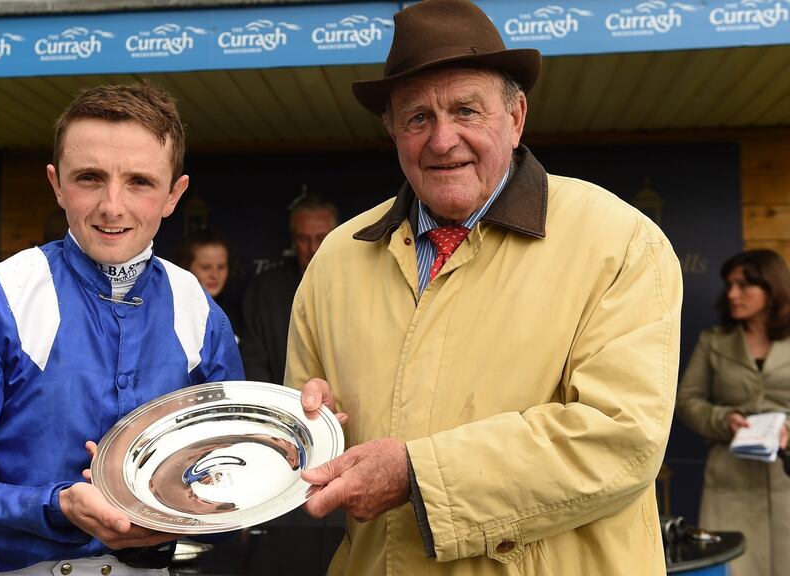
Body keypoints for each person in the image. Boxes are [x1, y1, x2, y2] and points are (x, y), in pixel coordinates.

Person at [288, 1, 683, 574]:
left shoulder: (619, 241)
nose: (442, 140)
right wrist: (310, 426)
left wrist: (418, 476)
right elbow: (307, 440)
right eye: (417, 117)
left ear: (516, 116)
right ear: (392, 130)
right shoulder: (336, 259)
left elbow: (619, 439)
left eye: (467, 110)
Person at [0, 83, 244, 575]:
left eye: (140, 182)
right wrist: (56, 507)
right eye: (89, 178)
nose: (112, 206)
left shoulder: (199, 309)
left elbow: (224, 469)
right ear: (56, 183)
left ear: (175, 194)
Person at [675, 249, 790, 576]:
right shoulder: (714, 340)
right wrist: (723, 421)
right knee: (735, 567)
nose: (732, 294)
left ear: (771, 288)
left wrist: (787, 430)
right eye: (729, 284)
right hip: (730, 477)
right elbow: (687, 400)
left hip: (786, 475)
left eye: (743, 285)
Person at [241, 194, 337, 384]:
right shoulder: (266, 290)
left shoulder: (356, 285)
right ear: (293, 240)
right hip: (281, 405)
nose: (312, 248)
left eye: (321, 238)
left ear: (336, 237)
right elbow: (254, 361)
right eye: (303, 239)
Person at [177, 227, 243, 337]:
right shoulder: (172, 312)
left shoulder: (238, 314)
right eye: (206, 267)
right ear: (186, 267)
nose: (215, 275)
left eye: (221, 267)